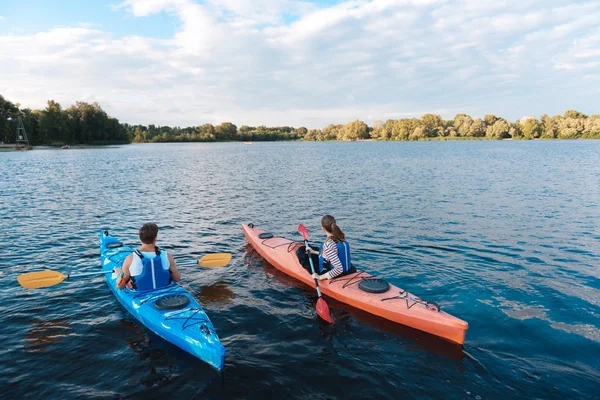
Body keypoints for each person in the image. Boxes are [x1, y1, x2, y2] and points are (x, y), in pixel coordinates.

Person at [116, 223, 181, 290]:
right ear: (155, 238)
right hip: (164, 291)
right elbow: (177, 279)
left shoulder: (130, 258)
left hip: (141, 295)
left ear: (139, 238)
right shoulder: (167, 256)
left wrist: (119, 272)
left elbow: (120, 286)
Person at [305, 215, 354, 280]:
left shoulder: (328, 245)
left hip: (337, 274)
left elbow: (339, 269)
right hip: (349, 271)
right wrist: (313, 252)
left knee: (302, 257)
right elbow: (331, 254)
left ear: (322, 228)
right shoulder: (341, 239)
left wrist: (319, 277)